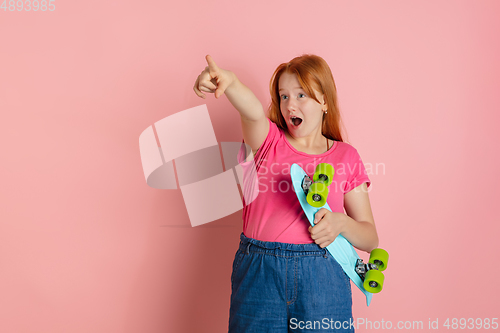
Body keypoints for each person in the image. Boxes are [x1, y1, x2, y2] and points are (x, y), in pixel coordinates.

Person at [194, 54, 379, 333]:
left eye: (301, 95)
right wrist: (230, 83)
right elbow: (252, 111)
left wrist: (341, 224)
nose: (290, 104)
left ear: (325, 102)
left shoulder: (346, 156)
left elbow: (370, 237)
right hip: (260, 273)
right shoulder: (268, 141)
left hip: (324, 276)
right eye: (283, 96)